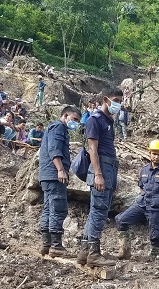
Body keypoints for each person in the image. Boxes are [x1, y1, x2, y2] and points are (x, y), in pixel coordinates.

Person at [77, 87, 123, 268]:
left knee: (97, 210)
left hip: (109, 168)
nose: (118, 103)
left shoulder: (108, 121)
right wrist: (98, 175)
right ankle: (94, 253)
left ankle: (85, 252)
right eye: (115, 100)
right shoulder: (95, 120)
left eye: (120, 100)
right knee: (99, 211)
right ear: (105, 99)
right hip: (101, 168)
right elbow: (93, 149)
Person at [115, 140, 159, 259]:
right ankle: (125, 251)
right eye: (154, 153)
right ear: (149, 153)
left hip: (156, 206)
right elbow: (141, 187)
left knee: (155, 233)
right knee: (121, 219)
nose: (156, 157)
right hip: (142, 203)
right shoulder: (143, 170)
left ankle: (153, 256)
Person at [38, 106, 81, 257]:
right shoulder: (58, 128)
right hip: (54, 174)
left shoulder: (53, 127)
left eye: (78, 121)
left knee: (48, 209)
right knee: (58, 208)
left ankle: (46, 245)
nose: (76, 123)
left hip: (46, 175)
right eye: (74, 119)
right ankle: (56, 246)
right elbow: (54, 150)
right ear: (65, 115)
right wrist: (61, 170)